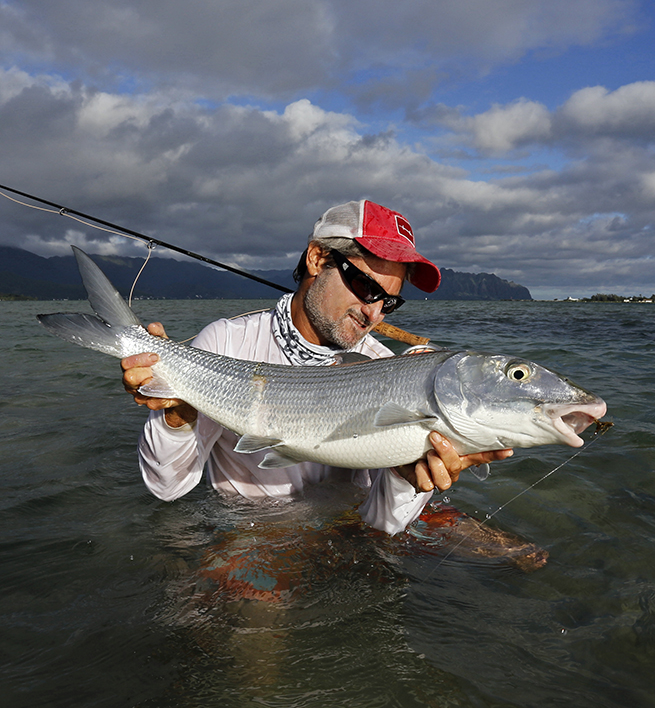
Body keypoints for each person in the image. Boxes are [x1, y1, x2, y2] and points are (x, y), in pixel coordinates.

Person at [122, 199, 512, 535]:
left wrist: (405, 479)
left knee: (512, 551)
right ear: (317, 258)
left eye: (389, 302)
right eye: (366, 288)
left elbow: (384, 524)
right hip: (255, 533)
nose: (373, 313)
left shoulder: (386, 369)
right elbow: (166, 487)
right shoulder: (226, 344)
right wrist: (178, 416)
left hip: (349, 529)